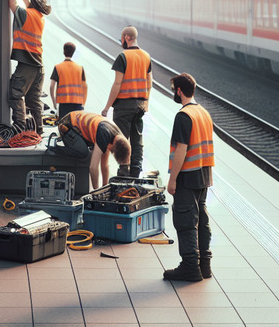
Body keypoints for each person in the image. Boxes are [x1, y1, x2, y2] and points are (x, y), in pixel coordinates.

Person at [163, 73, 214, 283]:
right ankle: (205, 265)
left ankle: (190, 267)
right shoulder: (203, 112)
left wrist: (173, 179)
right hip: (204, 173)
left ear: (179, 91)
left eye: (174, 88)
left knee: (185, 220)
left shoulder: (183, 116)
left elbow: (181, 150)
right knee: (201, 218)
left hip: (188, 173)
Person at [102, 26, 152, 177]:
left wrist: (107, 107)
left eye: (122, 38)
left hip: (124, 105)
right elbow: (149, 83)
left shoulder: (123, 57)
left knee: (121, 140)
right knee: (137, 139)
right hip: (140, 106)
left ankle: (124, 172)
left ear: (126, 38)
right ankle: (136, 170)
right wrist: (145, 103)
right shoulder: (146, 56)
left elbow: (117, 84)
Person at [7, 0, 51, 131]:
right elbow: (27, 4)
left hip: (27, 64)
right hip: (38, 66)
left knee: (15, 94)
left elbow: (12, 3)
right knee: (34, 101)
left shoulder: (26, 15)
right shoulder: (39, 17)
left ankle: (19, 126)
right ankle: (38, 131)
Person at [54, 110, 130, 190]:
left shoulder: (116, 137)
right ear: (113, 149)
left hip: (78, 124)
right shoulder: (104, 134)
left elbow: (104, 165)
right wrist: (96, 191)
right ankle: (57, 149)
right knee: (83, 152)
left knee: (97, 151)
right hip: (67, 125)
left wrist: (105, 188)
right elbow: (93, 168)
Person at [50, 42, 87, 118]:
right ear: (73, 53)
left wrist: (54, 102)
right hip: (78, 103)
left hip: (63, 103)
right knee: (76, 127)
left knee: (64, 127)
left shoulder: (58, 67)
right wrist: (83, 103)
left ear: (64, 52)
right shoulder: (80, 68)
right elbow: (85, 87)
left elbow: (51, 86)